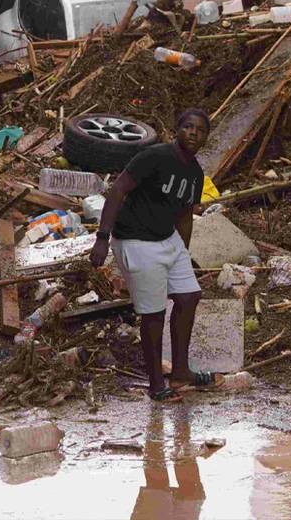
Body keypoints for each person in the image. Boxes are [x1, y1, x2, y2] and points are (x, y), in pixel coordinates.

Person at [90, 108, 219, 402]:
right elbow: (118, 190)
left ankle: (181, 372)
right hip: (136, 240)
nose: (193, 133)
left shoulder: (196, 173)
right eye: (188, 127)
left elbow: (186, 215)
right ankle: (156, 384)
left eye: (199, 130)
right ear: (177, 129)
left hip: (168, 239)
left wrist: (182, 254)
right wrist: (101, 237)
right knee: (154, 313)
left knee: (189, 297)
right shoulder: (155, 156)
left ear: (205, 138)